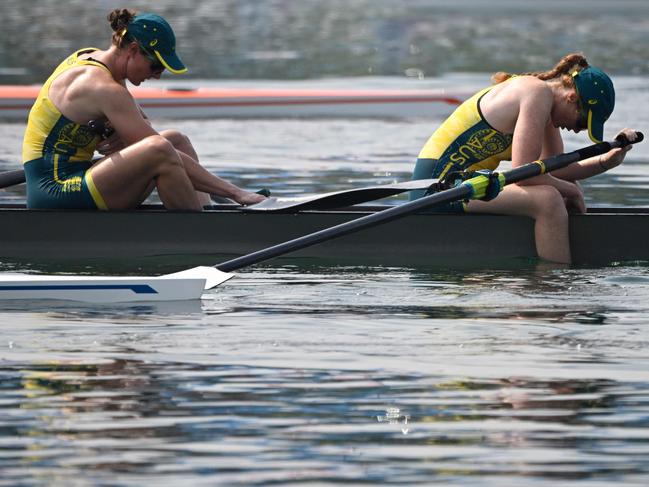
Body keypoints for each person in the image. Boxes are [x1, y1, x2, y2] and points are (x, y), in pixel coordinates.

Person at [21, 9, 265, 211]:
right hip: (54, 190)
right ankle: (202, 234)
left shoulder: (94, 58)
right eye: (156, 65)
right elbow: (155, 146)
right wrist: (236, 192)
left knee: (175, 140)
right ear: (134, 50)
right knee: (159, 150)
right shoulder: (102, 87)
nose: (158, 75)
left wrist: (119, 134)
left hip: (78, 174)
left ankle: (207, 211)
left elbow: (144, 126)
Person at [410, 53, 639, 264]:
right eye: (582, 122)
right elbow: (524, 174)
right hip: (437, 188)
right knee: (548, 199)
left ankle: (554, 250)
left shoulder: (545, 102)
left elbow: (554, 171)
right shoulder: (536, 93)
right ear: (571, 98)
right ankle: (552, 285)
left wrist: (607, 162)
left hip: (467, 185)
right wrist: (572, 192)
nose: (578, 131)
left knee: (564, 188)